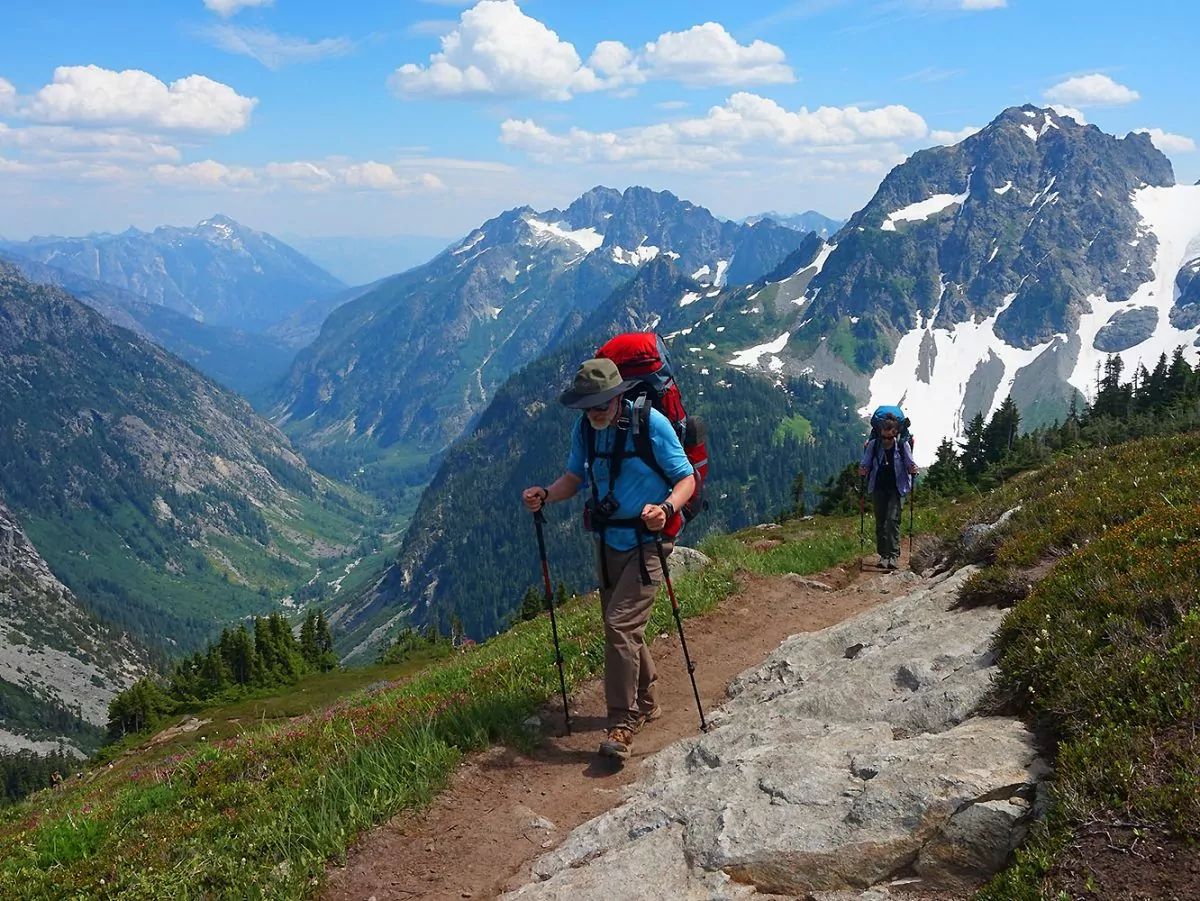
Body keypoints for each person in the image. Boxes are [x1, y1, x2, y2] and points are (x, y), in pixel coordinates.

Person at [523, 358, 696, 761]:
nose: (596, 410)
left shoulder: (651, 425)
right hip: (607, 542)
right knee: (622, 628)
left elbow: (687, 479)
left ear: (619, 395)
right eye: (588, 404)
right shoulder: (585, 429)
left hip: (647, 542)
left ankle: (621, 722)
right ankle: (649, 702)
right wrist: (546, 494)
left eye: (602, 402)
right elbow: (574, 479)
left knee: (619, 625)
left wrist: (666, 511)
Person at [859, 412, 918, 570]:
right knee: (881, 522)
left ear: (895, 433)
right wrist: (863, 469)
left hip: (897, 487)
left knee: (892, 520)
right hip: (879, 486)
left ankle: (893, 555)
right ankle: (883, 555)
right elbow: (866, 461)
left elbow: (909, 461)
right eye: (884, 437)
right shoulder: (874, 444)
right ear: (881, 432)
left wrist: (913, 468)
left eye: (889, 437)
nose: (886, 440)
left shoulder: (901, 444)